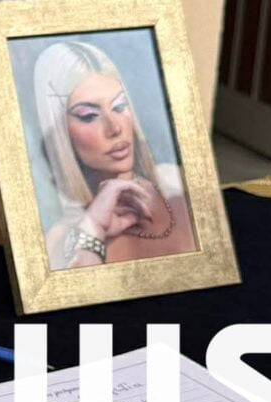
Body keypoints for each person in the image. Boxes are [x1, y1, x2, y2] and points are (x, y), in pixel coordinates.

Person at [32, 41, 196, 270]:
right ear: (61, 134)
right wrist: (93, 227)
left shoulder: (178, 182)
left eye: (119, 107)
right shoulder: (61, 241)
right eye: (89, 116)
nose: (115, 128)